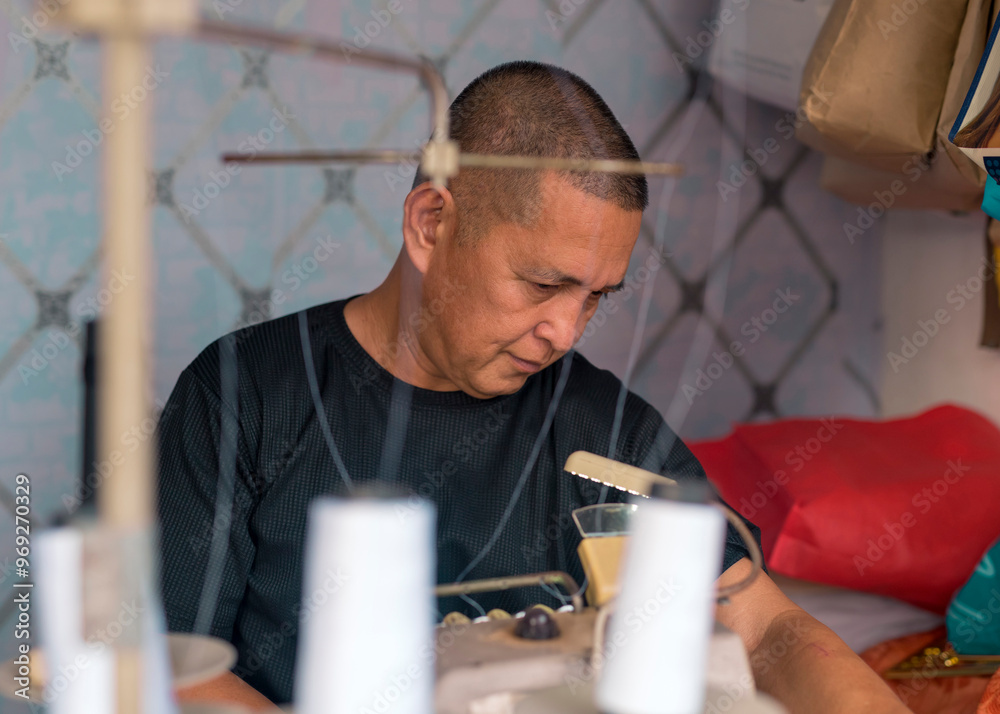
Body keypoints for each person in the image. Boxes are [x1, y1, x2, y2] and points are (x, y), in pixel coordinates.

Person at [157, 61, 911, 713]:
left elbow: (769, 631)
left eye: (595, 296)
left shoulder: (605, 432)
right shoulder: (246, 396)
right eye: (543, 283)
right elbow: (172, 671)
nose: (566, 330)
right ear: (430, 222)